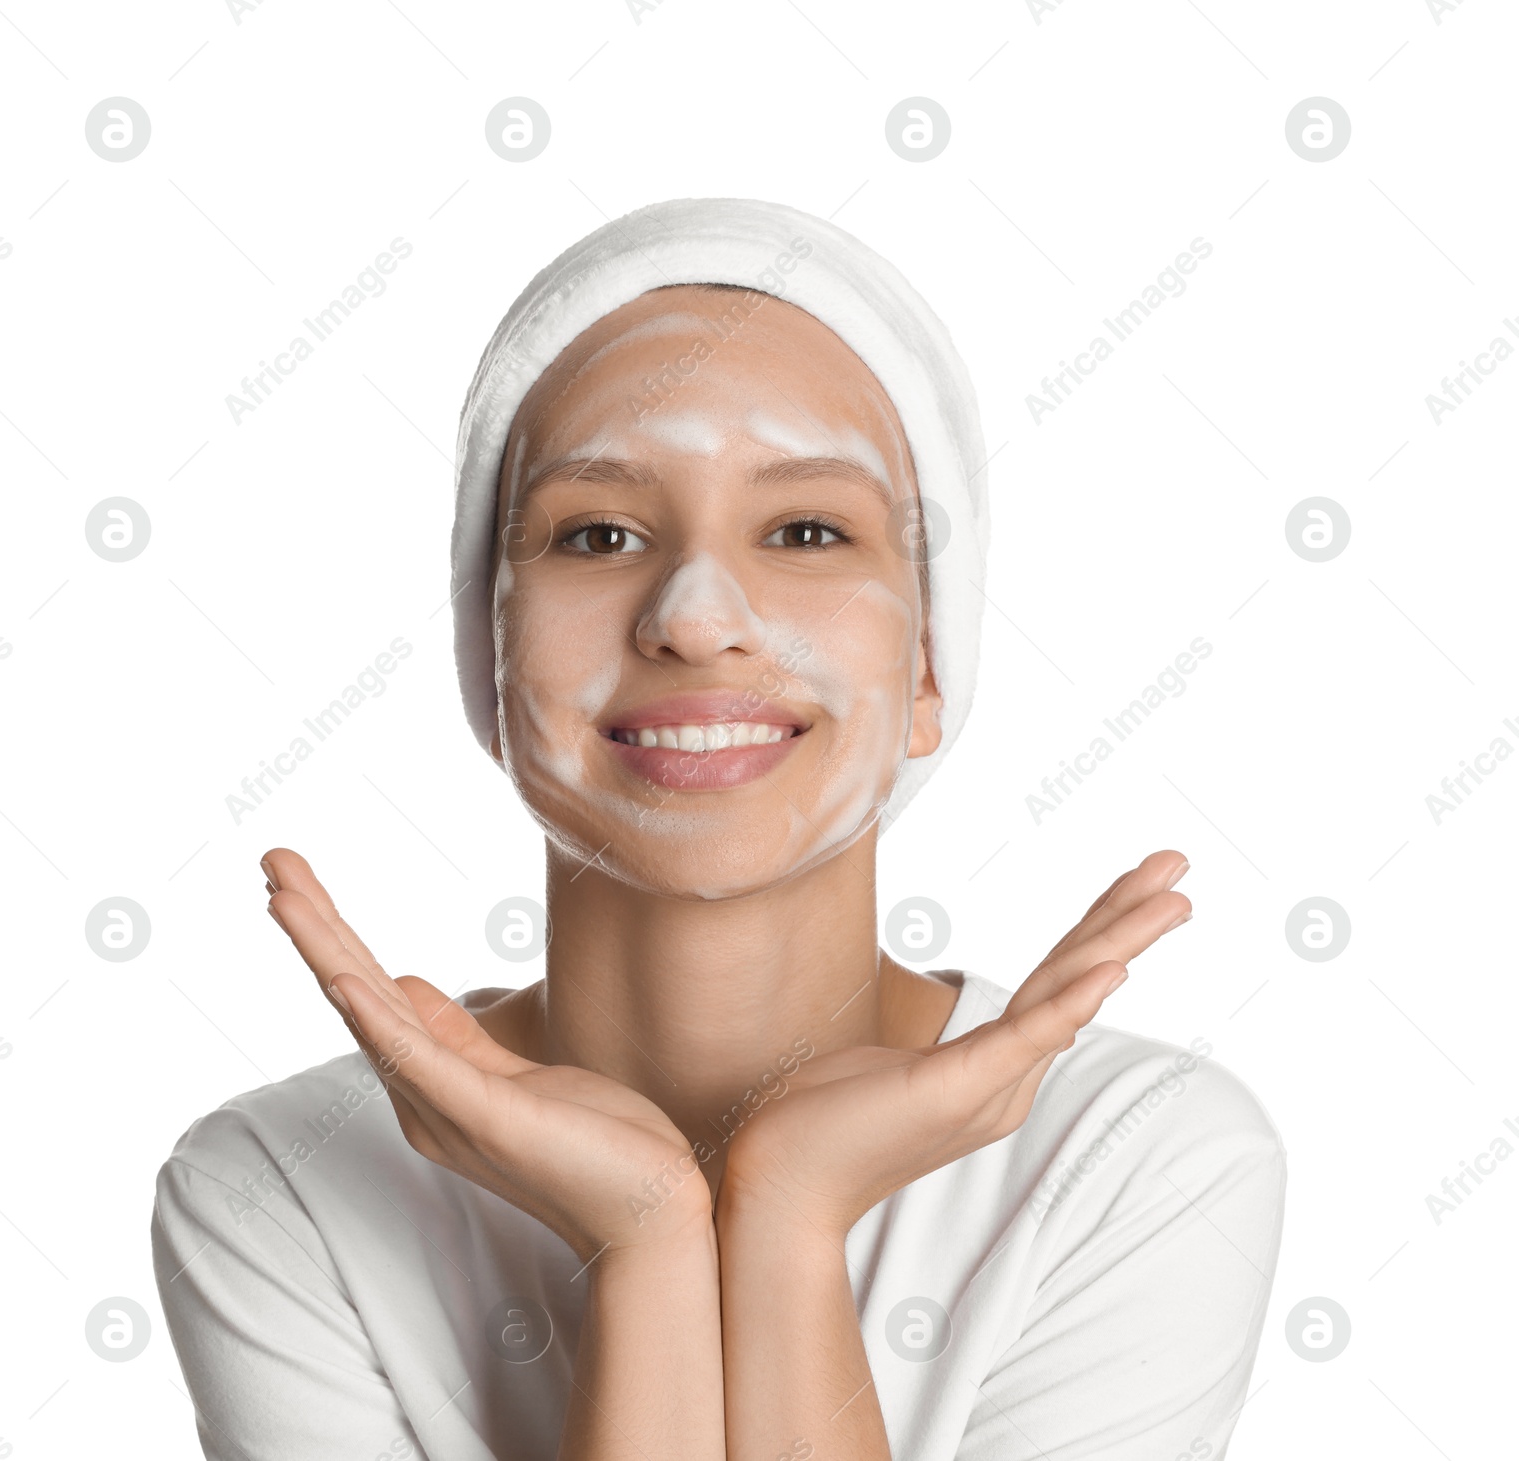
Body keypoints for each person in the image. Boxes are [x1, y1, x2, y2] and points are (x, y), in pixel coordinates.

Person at [152, 198, 1285, 1461]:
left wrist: (787, 1220)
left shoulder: (1132, 1157)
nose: (694, 616)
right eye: (597, 533)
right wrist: (642, 1236)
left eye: (806, 530)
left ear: (927, 666)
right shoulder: (285, 1182)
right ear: (491, 660)